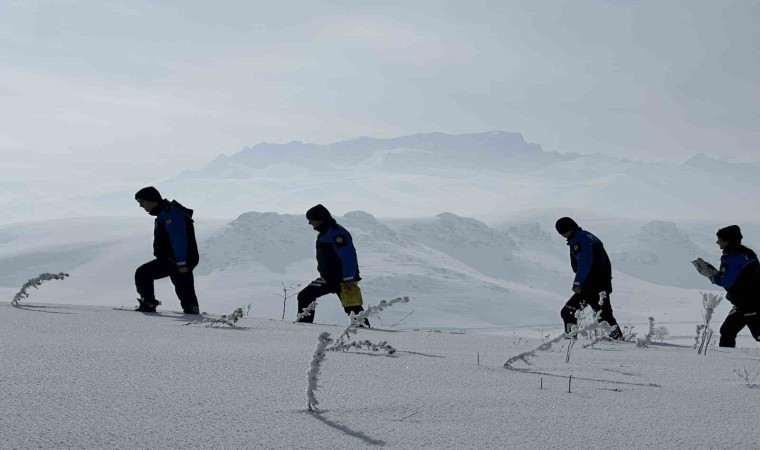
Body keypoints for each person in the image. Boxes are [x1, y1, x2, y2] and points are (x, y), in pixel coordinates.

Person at [296, 204, 369, 326]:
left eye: (311, 219)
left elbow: (348, 256)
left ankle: (304, 327)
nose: (309, 223)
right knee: (353, 308)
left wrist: (348, 278)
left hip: (341, 279)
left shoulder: (336, 233)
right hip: (333, 277)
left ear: (320, 218)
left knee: (305, 296)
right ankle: (365, 330)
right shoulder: (327, 232)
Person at [134, 186, 200, 314]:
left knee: (143, 273)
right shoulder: (167, 212)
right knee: (183, 285)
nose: (141, 206)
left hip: (176, 259)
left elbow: (179, 237)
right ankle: (192, 310)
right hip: (181, 259)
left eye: (142, 202)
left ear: (152, 200)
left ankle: (148, 303)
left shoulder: (170, 214)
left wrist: (181, 262)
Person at [555, 217, 623, 340]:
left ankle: (570, 341)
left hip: (591, 284)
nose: (562, 236)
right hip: (600, 282)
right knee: (603, 314)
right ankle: (618, 339)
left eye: (561, 232)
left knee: (569, 312)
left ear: (565, 230)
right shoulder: (588, 236)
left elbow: (585, 262)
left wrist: (578, 282)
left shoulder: (579, 240)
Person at [709, 225, 760, 347]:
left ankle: (725, 361)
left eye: (719, 239)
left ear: (728, 240)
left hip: (749, 303)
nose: (717, 242)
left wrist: (713, 277)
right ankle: (725, 360)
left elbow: (727, 281)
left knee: (758, 333)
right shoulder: (747, 253)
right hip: (745, 302)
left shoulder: (731, 257)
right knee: (728, 330)